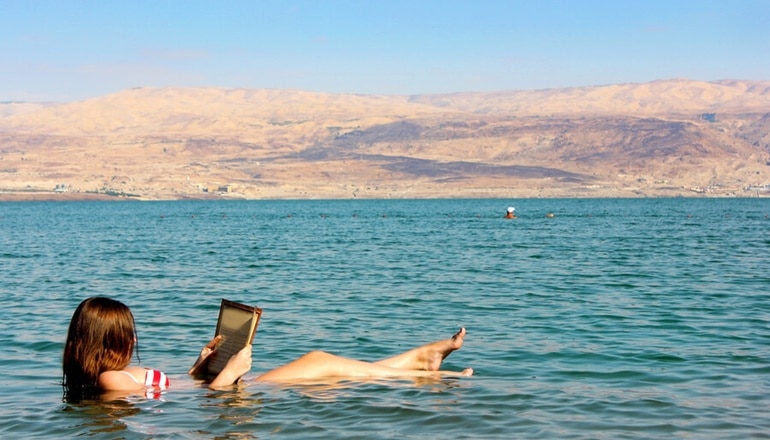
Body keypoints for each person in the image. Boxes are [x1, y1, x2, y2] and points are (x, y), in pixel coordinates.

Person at [63, 297, 472, 400]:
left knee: (328, 366)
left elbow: (176, 391)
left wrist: (199, 364)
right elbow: (209, 395)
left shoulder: (111, 377)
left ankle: (422, 362)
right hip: (231, 393)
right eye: (126, 333)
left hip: (220, 389)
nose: (134, 339)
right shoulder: (110, 379)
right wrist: (231, 369)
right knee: (322, 362)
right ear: (109, 339)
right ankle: (422, 366)